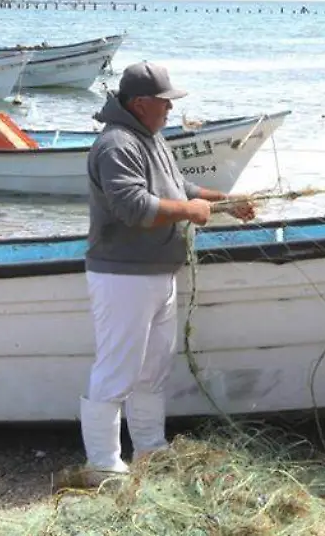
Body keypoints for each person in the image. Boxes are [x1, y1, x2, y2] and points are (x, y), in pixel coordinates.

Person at [58, 61, 256, 489]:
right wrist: (191, 212)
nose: (170, 110)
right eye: (165, 103)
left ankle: (150, 446)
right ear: (141, 103)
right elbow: (131, 206)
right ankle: (103, 462)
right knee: (117, 368)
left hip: (158, 272)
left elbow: (179, 187)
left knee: (153, 369)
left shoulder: (150, 137)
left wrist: (223, 201)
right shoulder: (116, 144)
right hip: (123, 276)